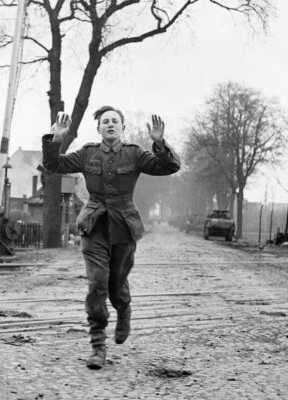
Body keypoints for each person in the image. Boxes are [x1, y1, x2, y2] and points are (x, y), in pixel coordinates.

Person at [42, 106, 180, 369]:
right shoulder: (87, 153)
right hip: (94, 226)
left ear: (122, 128)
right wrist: (56, 139)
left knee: (116, 284)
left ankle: (123, 309)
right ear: (99, 129)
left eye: (115, 121)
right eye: (105, 122)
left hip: (124, 227)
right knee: (97, 283)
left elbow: (170, 167)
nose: (110, 125)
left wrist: (159, 143)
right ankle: (98, 345)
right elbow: (53, 164)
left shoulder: (135, 154)